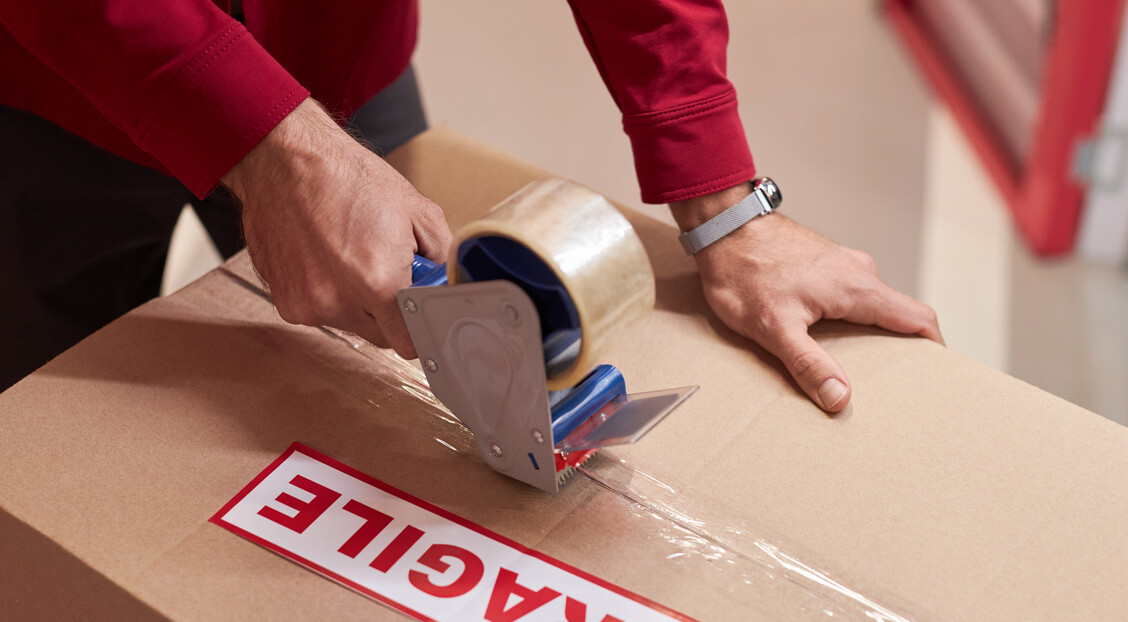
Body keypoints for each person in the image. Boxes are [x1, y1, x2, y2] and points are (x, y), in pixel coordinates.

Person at [0, 0, 942, 410]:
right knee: (51, 417)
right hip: (55, 82)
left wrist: (725, 198)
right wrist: (268, 146)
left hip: (335, 54)